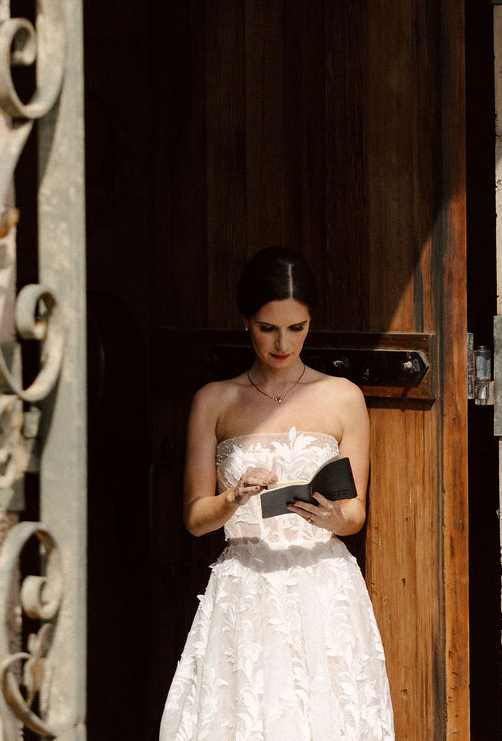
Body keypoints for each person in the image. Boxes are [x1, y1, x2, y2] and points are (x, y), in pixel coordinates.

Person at [160, 247, 395, 741]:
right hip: (246, 581)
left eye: (297, 327)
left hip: (321, 582)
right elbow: (194, 517)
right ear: (245, 320)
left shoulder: (343, 397)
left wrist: (332, 516)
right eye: (269, 328)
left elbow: (356, 515)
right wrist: (233, 499)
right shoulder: (214, 400)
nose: (283, 342)